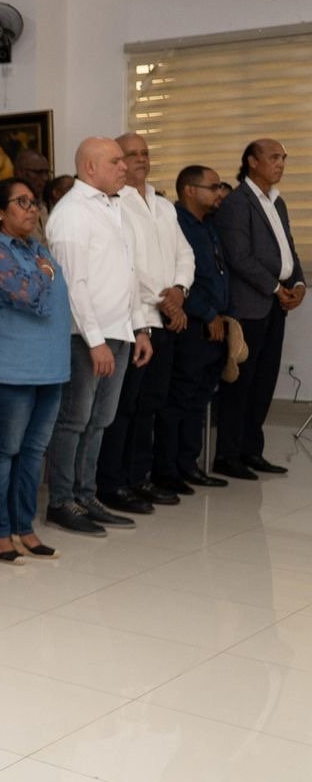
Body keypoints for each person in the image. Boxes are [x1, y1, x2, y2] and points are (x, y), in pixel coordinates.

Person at [44, 137, 153, 537]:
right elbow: (73, 285)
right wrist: (94, 340)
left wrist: (139, 327)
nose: (124, 167)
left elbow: (130, 272)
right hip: (85, 337)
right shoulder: (72, 213)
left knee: (100, 419)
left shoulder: (115, 205)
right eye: (116, 161)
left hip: (118, 330)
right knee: (75, 419)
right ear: (90, 167)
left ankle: (86, 494)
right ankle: (61, 500)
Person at [0, 178, 69, 563]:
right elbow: (26, 294)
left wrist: (40, 272)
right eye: (21, 202)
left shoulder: (37, 249)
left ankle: (23, 527)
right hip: (7, 367)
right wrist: (43, 275)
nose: (32, 209)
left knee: (32, 452)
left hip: (48, 365)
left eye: (34, 202)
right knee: (2, 450)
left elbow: (51, 298)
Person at [96, 133, 195, 512]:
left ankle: (140, 477)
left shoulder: (162, 204)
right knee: (124, 406)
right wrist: (164, 299)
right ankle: (113, 482)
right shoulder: (114, 205)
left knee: (152, 403)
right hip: (135, 318)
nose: (138, 160)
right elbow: (127, 266)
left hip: (169, 316)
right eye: (129, 155)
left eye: (143, 153)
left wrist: (180, 290)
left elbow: (184, 253)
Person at [212, 139, 304, 480]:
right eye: (274, 157)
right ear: (252, 161)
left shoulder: (276, 202)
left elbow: (288, 248)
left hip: (275, 304)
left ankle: (252, 450)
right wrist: (276, 287)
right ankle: (228, 454)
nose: (280, 163)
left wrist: (299, 284)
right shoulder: (238, 202)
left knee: (265, 381)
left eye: (284, 157)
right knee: (242, 382)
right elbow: (239, 256)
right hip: (250, 306)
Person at [152, 165, 232, 493]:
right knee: (179, 399)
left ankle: (189, 464)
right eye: (212, 187)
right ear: (189, 190)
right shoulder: (175, 223)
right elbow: (179, 278)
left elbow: (218, 273)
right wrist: (207, 312)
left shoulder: (208, 224)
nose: (218, 193)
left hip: (215, 323)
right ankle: (167, 470)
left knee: (199, 400)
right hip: (191, 325)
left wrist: (226, 315)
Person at [13, 149, 54, 244]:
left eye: (46, 173)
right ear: (20, 172)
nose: (45, 178)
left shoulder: (42, 206)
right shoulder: (9, 206)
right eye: (38, 172)